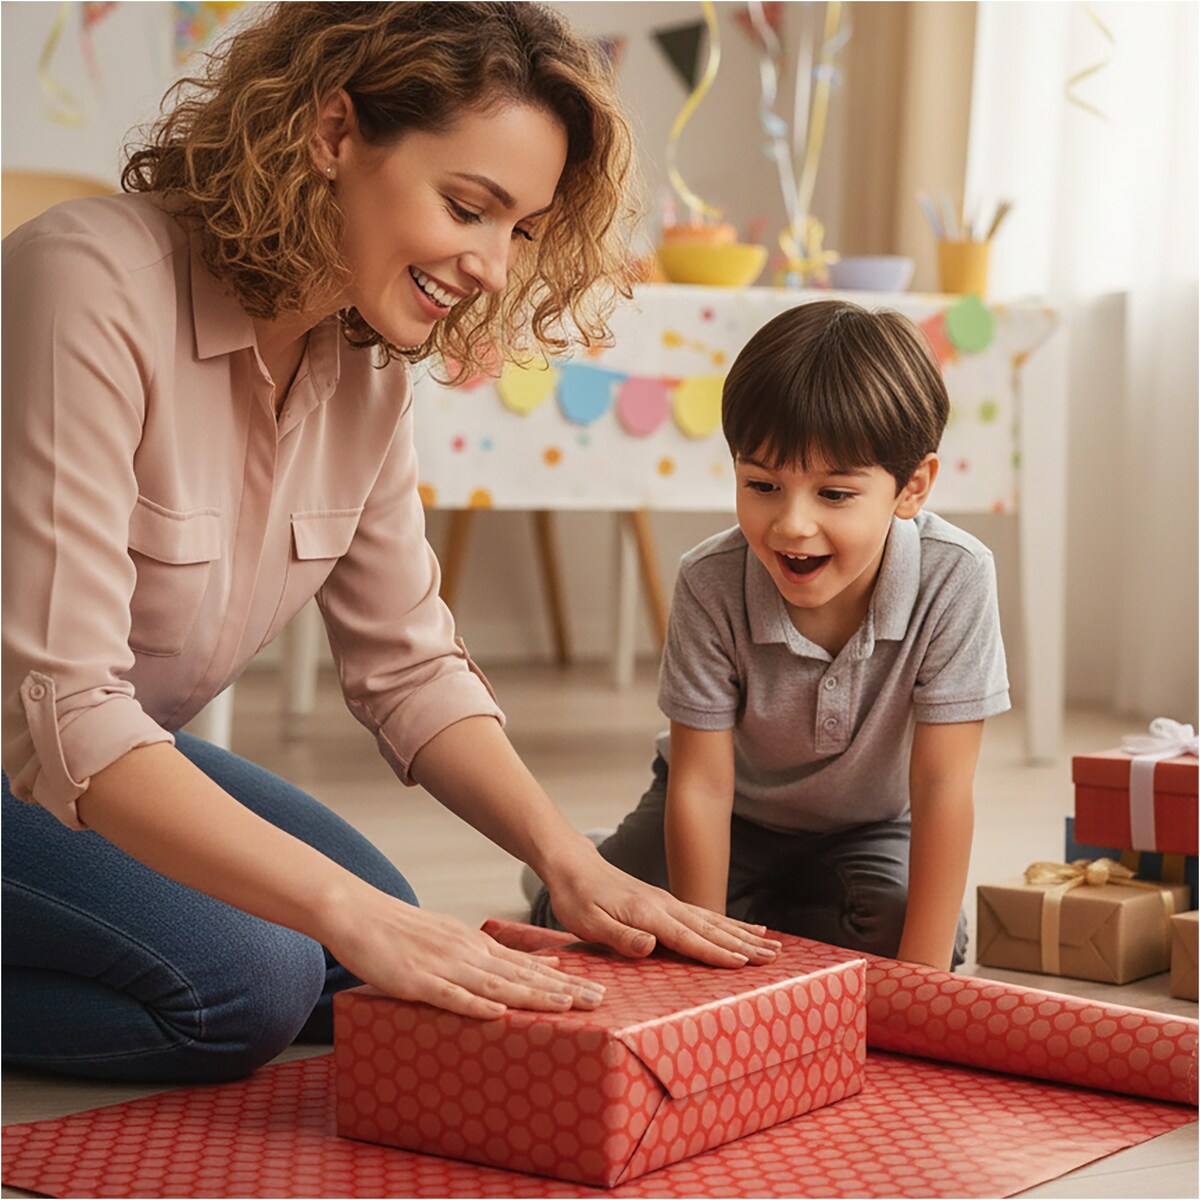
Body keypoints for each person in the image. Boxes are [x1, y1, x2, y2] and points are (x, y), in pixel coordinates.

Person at [1, 1, 779, 1085]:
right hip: (39, 744)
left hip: (79, 755)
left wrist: (570, 861)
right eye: (469, 207)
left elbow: (408, 666)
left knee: (370, 939)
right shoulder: (86, 283)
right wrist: (338, 909)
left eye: (519, 229)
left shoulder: (363, 368)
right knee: (257, 981)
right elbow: (70, 709)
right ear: (333, 134)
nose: (494, 267)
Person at [531, 299, 1010, 971]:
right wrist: (704, 955)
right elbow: (702, 787)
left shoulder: (956, 576)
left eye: (834, 494)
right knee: (610, 919)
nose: (791, 525)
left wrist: (923, 983)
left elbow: (941, 789)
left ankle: (771, 904)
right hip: (725, 812)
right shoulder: (709, 581)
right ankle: (605, 861)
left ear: (912, 487)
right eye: (762, 484)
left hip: (867, 828)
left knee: (904, 928)